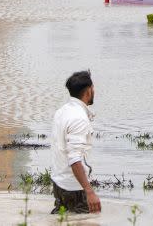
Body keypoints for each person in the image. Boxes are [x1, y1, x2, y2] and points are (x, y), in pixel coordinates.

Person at [51, 70, 101, 214]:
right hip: (74, 187)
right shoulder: (79, 118)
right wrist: (89, 191)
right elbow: (74, 159)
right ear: (88, 91)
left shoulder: (61, 111)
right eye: (93, 88)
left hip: (59, 183)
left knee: (64, 219)